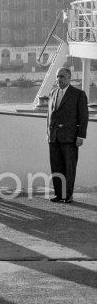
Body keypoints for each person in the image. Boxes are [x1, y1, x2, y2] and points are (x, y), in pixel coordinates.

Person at [47, 67, 89, 203]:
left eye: (62, 77)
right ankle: (59, 194)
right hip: (54, 137)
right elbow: (49, 116)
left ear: (69, 77)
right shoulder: (53, 93)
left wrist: (80, 136)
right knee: (56, 166)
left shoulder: (78, 94)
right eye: (58, 76)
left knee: (69, 167)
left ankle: (68, 195)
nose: (59, 79)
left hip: (70, 137)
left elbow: (83, 116)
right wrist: (48, 133)